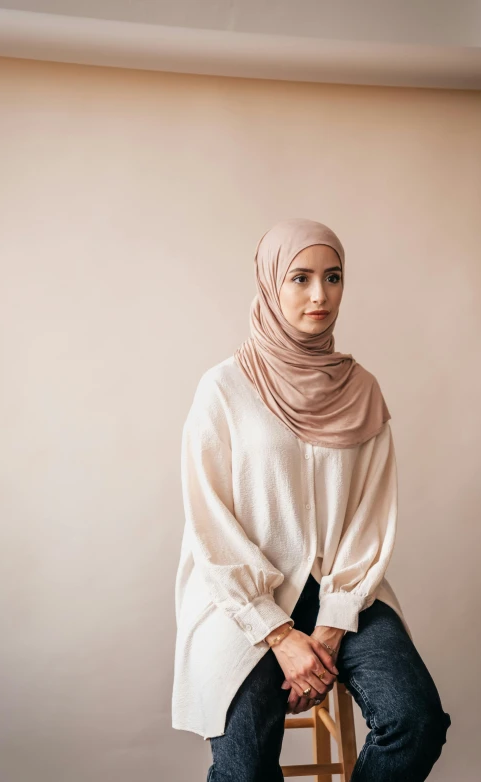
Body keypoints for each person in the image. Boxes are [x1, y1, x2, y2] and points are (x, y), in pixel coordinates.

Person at [172, 218, 451, 781]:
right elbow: (210, 522)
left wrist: (329, 627)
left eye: (333, 277)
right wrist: (277, 633)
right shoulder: (224, 388)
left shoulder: (362, 389)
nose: (320, 295)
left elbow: (369, 516)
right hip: (243, 599)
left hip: (342, 591)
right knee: (243, 769)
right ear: (271, 284)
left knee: (416, 721)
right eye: (299, 278)